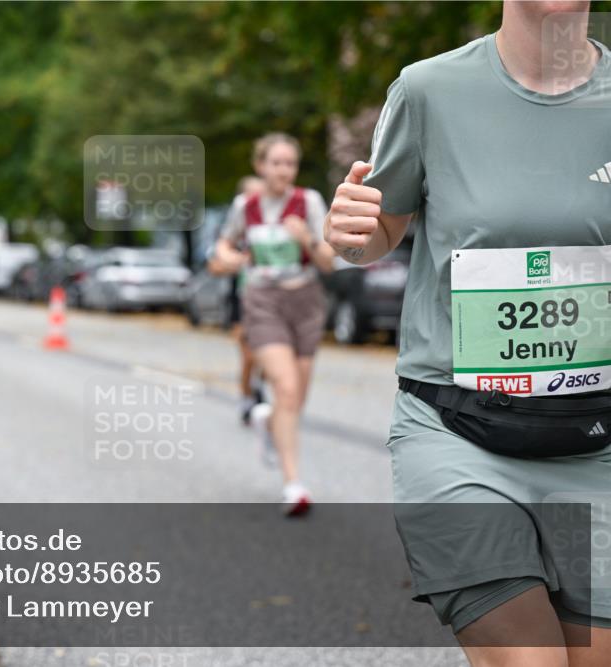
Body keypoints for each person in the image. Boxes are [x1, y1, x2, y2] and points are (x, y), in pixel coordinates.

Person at [324, 2, 610, 663]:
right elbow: (380, 230)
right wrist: (353, 236)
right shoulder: (430, 91)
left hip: (596, 446)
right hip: (458, 436)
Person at [214, 133, 336, 514]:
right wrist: (231, 259)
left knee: (295, 400)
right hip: (262, 301)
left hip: (305, 302)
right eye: (276, 162)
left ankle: (268, 425)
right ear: (260, 166)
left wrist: (307, 240)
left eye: (290, 164)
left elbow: (329, 262)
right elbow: (222, 246)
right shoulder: (245, 206)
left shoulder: (309, 202)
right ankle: (294, 485)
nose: (284, 170)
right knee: (284, 388)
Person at [210, 175, 266, 425]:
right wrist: (238, 262)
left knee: (268, 355)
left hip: (271, 299)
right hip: (241, 299)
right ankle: (246, 398)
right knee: (248, 356)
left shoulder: (272, 227)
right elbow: (214, 266)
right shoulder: (232, 233)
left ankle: (258, 385)